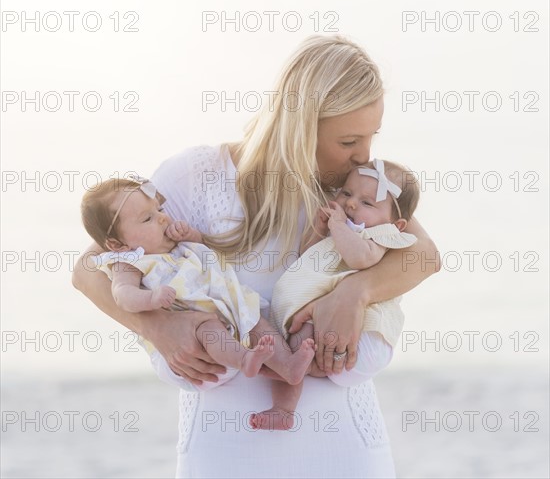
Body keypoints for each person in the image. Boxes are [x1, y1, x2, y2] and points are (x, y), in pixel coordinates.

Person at [72, 35, 440, 478]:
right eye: (348, 141)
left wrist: (355, 293)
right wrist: (155, 324)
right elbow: (88, 269)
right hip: (223, 451)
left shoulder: (354, 191)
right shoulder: (196, 176)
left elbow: (425, 255)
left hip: (345, 449)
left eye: (370, 137)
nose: (365, 155)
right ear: (300, 126)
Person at [80, 176, 315, 388]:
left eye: (159, 209)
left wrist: (190, 235)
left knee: (256, 320)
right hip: (195, 332)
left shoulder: (171, 242)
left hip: (230, 307)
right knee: (210, 329)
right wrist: (150, 298)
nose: (163, 218)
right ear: (117, 245)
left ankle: (288, 365)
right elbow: (122, 294)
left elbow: (205, 248)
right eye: (148, 218)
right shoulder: (129, 262)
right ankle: (245, 359)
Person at [250, 158, 420, 430]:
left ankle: (294, 376)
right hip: (327, 327)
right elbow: (307, 261)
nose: (351, 204)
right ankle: (285, 406)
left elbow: (359, 259)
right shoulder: (343, 231)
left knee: (297, 348)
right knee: (294, 346)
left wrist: (339, 226)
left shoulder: (381, 235)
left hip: (364, 335)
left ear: (397, 224)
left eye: (367, 203)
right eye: (347, 193)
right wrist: (319, 232)